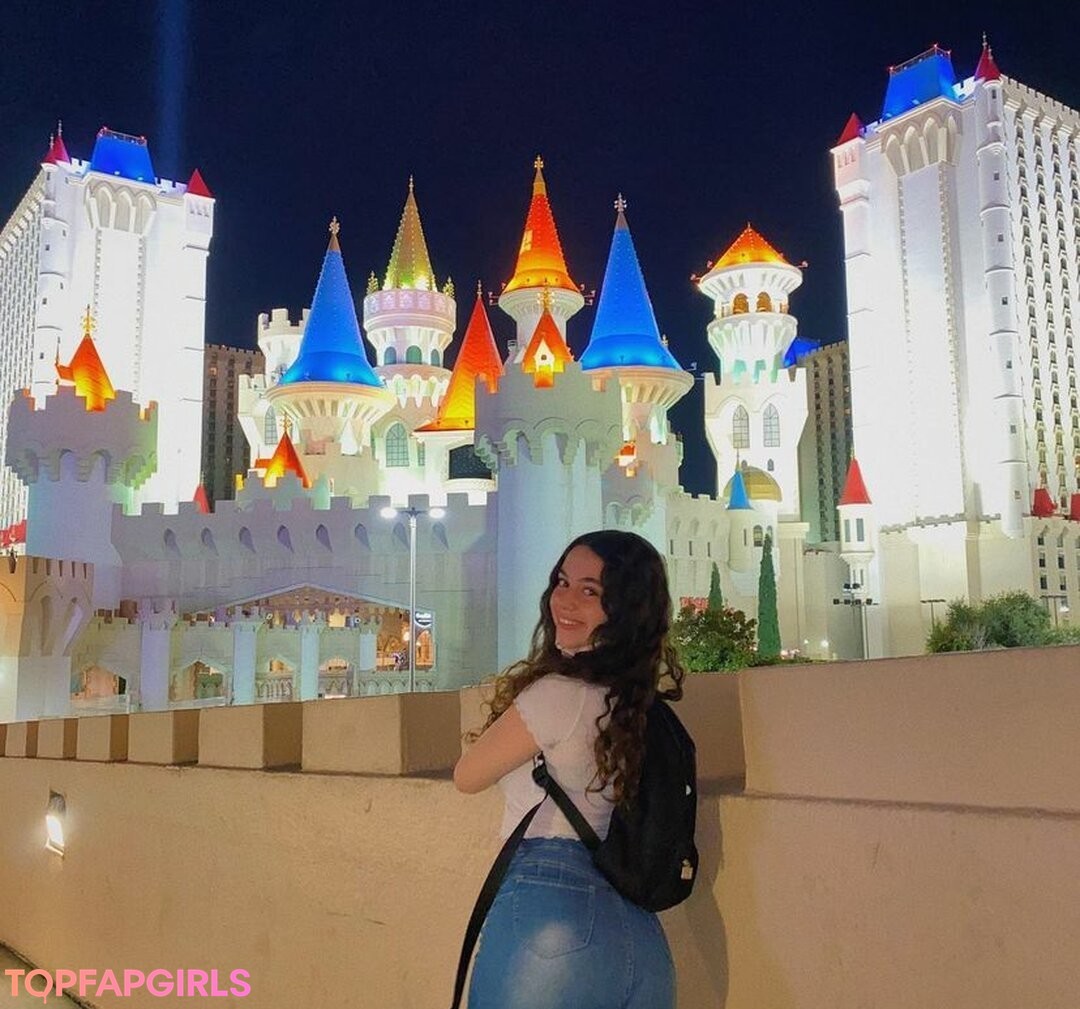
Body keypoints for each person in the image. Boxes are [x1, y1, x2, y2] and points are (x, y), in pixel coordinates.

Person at [454, 529, 685, 1009]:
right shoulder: (642, 708)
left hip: (552, 913)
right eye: (562, 582)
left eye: (590, 591)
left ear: (624, 608)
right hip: (641, 939)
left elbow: (467, 776)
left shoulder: (559, 694)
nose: (566, 600)